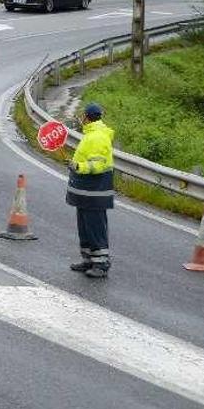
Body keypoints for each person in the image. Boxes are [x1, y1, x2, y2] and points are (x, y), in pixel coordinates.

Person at [66, 103, 115, 278]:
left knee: (95, 227)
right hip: (86, 192)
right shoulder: (90, 134)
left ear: (88, 117)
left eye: (83, 115)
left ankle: (101, 264)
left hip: (95, 191)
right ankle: (88, 259)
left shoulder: (98, 137)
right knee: (85, 226)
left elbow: (98, 165)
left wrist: (78, 166)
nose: (81, 118)